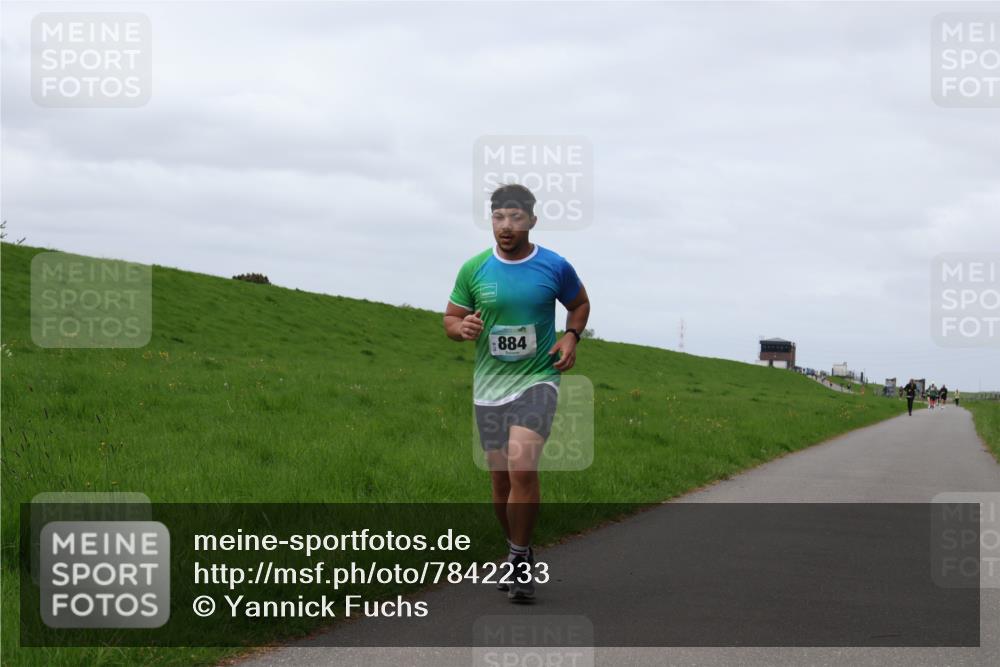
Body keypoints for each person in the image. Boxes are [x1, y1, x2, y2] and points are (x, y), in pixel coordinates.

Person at [443, 183, 590, 602]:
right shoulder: (474, 269)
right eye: (498, 217)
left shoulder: (554, 266)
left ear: (531, 220)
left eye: (515, 217)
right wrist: (461, 329)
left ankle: (520, 559)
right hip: (489, 388)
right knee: (500, 481)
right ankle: (516, 550)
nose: (506, 226)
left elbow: (579, 303)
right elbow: (450, 318)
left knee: (522, 468)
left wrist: (571, 337)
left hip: (538, 379)